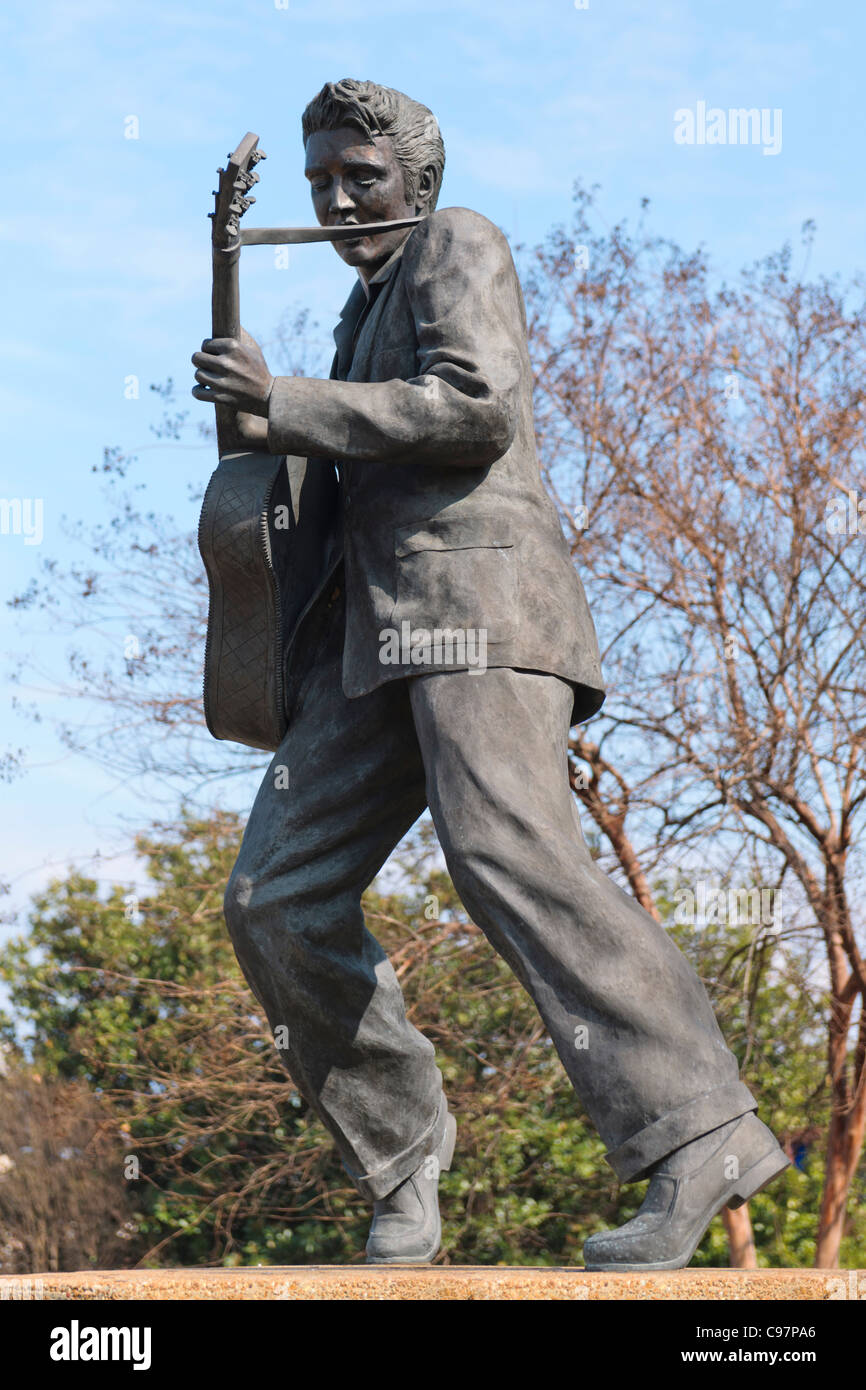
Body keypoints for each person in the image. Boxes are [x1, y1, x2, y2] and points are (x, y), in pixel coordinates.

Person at [191, 79, 788, 1270]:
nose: (338, 199)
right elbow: (332, 470)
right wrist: (263, 426)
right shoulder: (362, 310)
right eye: (320, 184)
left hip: (478, 612)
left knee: (508, 855)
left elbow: (474, 408)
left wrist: (288, 403)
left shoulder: (457, 244)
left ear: (417, 176)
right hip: (372, 647)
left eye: (360, 175)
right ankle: (401, 1164)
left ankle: (701, 1129)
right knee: (273, 898)